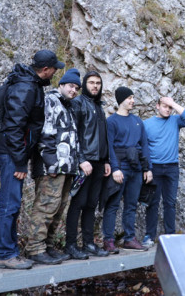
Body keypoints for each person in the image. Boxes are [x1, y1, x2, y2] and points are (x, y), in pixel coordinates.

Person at [0, 50, 64, 270]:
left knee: (12, 202)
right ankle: (5, 254)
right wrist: (21, 161)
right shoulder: (26, 87)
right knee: (9, 203)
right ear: (45, 70)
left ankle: (10, 252)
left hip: (14, 152)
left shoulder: (30, 85)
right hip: (12, 153)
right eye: (54, 69)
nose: (55, 72)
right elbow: (14, 127)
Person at [25, 69, 82, 265]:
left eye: (76, 88)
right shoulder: (50, 100)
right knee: (46, 206)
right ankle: (35, 248)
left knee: (58, 208)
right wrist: (51, 163)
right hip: (52, 167)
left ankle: (48, 246)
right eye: (70, 86)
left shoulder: (69, 106)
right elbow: (46, 133)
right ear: (61, 85)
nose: (73, 90)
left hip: (67, 167)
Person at [65, 71, 111, 258]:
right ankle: (70, 244)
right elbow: (73, 134)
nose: (95, 86)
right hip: (84, 163)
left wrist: (106, 160)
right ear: (85, 84)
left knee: (92, 204)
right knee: (78, 203)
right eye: (91, 82)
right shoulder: (78, 103)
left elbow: (103, 137)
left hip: (99, 162)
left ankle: (89, 243)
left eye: (98, 83)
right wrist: (81, 159)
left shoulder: (99, 106)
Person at [102, 87, 153, 253]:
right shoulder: (111, 122)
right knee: (113, 204)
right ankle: (108, 240)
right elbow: (108, 146)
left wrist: (147, 168)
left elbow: (144, 145)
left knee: (131, 205)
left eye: (133, 97)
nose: (132, 100)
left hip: (136, 167)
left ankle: (129, 239)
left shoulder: (138, 121)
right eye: (129, 98)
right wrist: (115, 168)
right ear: (121, 100)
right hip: (120, 167)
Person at [142, 97, 185, 248]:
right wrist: (147, 168)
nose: (167, 109)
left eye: (169, 107)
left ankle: (170, 235)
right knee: (152, 203)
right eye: (164, 106)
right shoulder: (147, 124)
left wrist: (173, 104)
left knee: (170, 203)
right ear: (157, 106)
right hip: (155, 168)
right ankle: (149, 236)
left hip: (172, 167)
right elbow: (143, 147)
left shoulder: (175, 121)